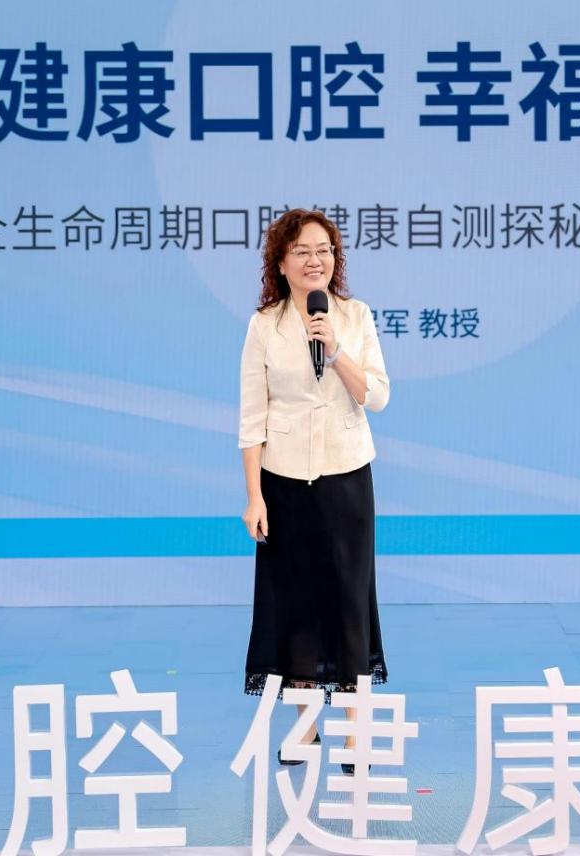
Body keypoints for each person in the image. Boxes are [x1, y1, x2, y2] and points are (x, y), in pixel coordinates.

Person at [238, 208, 390, 773]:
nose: (314, 260)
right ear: (280, 263)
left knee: (349, 602)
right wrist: (254, 495)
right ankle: (304, 727)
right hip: (283, 483)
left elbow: (377, 396)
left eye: (324, 250)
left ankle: (354, 731)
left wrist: (338, 349)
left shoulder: (353, 316)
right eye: (301, 251)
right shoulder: (265, 325)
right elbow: (251, 418)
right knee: (295, 604)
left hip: (346, 476)